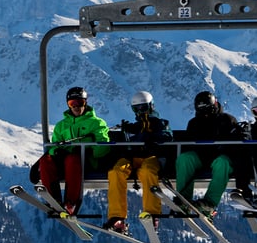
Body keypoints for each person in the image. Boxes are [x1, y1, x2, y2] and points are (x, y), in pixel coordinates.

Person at [105, 91, 172, 235]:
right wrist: (126, 133)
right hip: (132, 158)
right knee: (116, 172)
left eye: (144, 108)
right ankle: (117, 216)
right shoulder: (134, 127)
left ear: (151, 106)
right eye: (137, 109)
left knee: (147, 171)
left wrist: (151, 138)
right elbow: (126, 143)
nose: (141, 112)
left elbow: (167, 136)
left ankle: (152, 213)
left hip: (152, 157)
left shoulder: (160, 123)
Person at [37, 87, 111, 216]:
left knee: (73, 159)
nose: (76, 107)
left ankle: (71, 202)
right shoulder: (62, 125)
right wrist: (57, 151)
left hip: (85, 161)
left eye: (79, 103)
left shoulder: (97, 123)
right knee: (46, 160)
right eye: (72, 104)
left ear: (85, 103)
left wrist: (89, 147)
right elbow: (54, 146)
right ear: (68, 105)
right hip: (65, 160)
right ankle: (54, 199)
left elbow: (103, 147)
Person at [174, 91, 243, 221]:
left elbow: (236, 142)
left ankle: (209, 203)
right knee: (185, 158)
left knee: (222, 163)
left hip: (220, 156)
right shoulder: (194, 123)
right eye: (201, 109)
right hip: (201, 157)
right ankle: (184, 199)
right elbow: (188, 143)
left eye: (206, 108)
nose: (204, 113)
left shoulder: (227, 120)